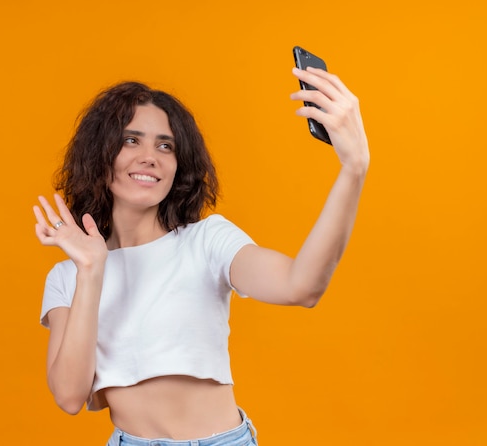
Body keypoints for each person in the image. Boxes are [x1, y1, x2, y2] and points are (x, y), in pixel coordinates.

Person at [33, 66, 369, 446]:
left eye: (166, 145)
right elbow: (69, 396)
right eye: (131, 140)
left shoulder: (207, 241)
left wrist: (353, 170)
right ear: (99, 155)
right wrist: (92, 271)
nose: (150, 157)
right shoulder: (69, 276)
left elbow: (300, 287)